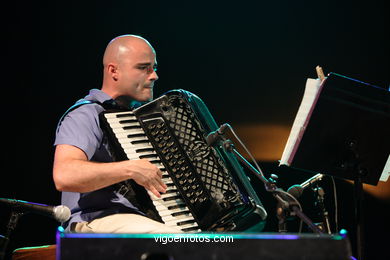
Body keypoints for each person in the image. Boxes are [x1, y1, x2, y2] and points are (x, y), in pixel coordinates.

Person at [53, 35, 182, 233]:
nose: (154, 75)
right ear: (114, 70)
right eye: (142, 68)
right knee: (176, 239)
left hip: (142, 220)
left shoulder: (148, 119)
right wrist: (130, 169)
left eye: (154, 67)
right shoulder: (85, 114)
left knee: (220, 239)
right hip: (97, 219)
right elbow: (64, 175)